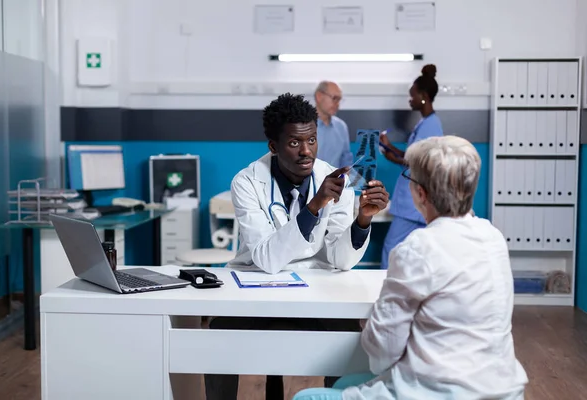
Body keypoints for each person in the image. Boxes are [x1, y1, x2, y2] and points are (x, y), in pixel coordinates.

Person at [293, 135, 528, 400]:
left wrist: (371, 325)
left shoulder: (418, 248)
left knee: (306, 397)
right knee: (344, 383)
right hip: (501, 389)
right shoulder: (493, 237)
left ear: (421, 193)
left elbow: (381, 356)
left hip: (439, 393)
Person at [205, 93, 390, 400]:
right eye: (294, 143)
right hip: (256, 283)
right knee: (221, 335)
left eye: (312, 140)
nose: (307, 152)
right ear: (274, 147)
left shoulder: (335, 180)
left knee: (347, 334)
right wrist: (314, 206)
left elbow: (340, 259)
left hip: (312, 284)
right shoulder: (248, 181)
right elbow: (266, 257)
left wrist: (362, 221)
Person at [379, 64, 444, 269]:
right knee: (412, 253)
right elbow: (412, 154)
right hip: (413, 202)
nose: (410, 100)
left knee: (391, 250)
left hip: (412, 205)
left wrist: (392, 158)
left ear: (423, 96)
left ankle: (381, 292)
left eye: (412, 96)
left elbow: (418, 162)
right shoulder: (424, 124)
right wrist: (389, 147)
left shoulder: (431, 125)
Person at [314, 81, 354, 168]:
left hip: (336, 180)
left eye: (339, 100)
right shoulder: (303, 126)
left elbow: (346, 161)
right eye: (335, 98)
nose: (338, 104)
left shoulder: (341, 127)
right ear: (319, 96)